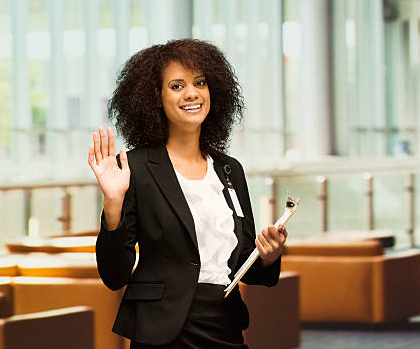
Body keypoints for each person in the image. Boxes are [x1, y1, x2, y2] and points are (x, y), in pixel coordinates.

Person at [88, 38, 288, 348]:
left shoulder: (229, 169)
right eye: (177, 86)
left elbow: (246, 266)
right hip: (162, 329)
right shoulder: (135, 168)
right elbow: (114, 275)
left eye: (200, 83)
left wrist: (270, 255)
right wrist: (113, 203)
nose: (192, 93)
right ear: (156, 97)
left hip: (224, 322)